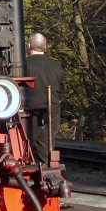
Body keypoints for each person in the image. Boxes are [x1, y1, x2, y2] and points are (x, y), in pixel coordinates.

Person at [24, 32, 66, 164]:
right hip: (52, 106)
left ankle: (37, 164)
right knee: (48, 140)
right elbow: (63, 90)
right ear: (45, 47)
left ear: (28, 46)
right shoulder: (56, 66)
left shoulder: (23, 65)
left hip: (30, 109)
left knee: (31, 140)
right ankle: (47, 164)